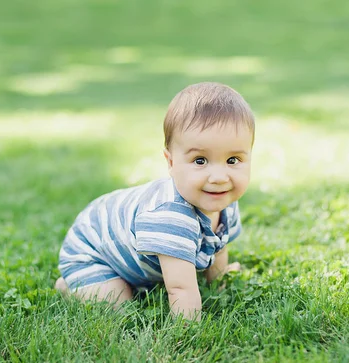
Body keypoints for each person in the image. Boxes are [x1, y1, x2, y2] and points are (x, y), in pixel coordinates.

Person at [55, 82, 255, 321]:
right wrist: (190, 334)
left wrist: (218, 282)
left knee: (154, 283)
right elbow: (180, 288)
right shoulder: (170, 216)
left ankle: (121, 280)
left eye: (233, 160)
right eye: (200, 161)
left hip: (126, 251)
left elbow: (218, 245)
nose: (220, 178)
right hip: (92, 254)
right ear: (170, 162)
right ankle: (72, 284)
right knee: (121, 307)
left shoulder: (223, 199)